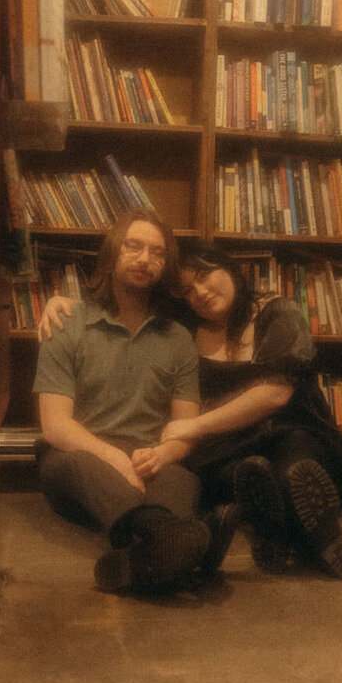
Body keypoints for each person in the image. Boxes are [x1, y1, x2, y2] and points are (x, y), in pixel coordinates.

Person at [40, 239, 342, 579]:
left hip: (288, 431)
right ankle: (267, 525)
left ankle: (316, 536)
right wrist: (63, 302)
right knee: (228, 475)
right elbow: (126, 302)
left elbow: (275, 394)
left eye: (206, 275)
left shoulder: (278, 312)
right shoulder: (184, 329)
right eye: (189, 290)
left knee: (291, 470)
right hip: (228, 447)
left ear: (230, 268)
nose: (202, 292)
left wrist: (194, 426)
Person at [33, 209, 229, 594]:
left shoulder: (177, 339)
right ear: (112, 253)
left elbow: (183, 430)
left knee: (183, 478)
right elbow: (56, 426)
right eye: (134, 247)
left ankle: (140, 561)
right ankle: (190, 542)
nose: (145, 259)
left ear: (166, 266)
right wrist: (114, 458)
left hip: (147, 459)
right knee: (80, 464)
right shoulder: (67, 322)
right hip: (76, 458)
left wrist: (162, 456)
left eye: (157, 253)